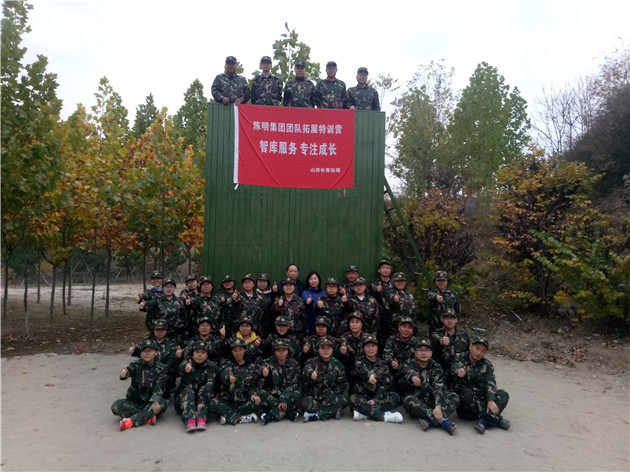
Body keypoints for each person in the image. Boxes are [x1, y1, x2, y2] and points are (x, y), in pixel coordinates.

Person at [451, 337, 511, 434]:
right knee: (466, 393)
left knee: (503, 394)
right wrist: (459, 371)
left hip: (480, 396)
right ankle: (494, 418)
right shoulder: (460, 357)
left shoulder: (487, 365)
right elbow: (455, 366)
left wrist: (490, 399)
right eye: (477, 348)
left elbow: (490, 382)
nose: (479, 353)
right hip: (466, 406)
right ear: (470, 347)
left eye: (483, 351)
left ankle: (484, 421)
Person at [399, 339, 459, 435]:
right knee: (408, 400)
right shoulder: (408, 363)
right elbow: (407, 372)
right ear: (415, 353)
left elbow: (439, 387)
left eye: (426, 350)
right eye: (420, 350)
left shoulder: (436, 366)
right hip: (418, 401)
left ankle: (429, 421)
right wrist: (412, 378)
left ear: (431, 353)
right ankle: (442, 420)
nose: (423, 353)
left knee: (455, 397)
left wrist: (438, 406)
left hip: (433, 400)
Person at [112, 339, 168, 431]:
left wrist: (155, 402)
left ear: (156, 353)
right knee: (115, 406)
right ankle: (147, 418)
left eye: (150, 350)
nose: (147, 353)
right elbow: (128, 371)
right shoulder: (135, 364)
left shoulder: (161, 369)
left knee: (162, 404)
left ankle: (130, 422)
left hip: (150, 402)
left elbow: (159, 388)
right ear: (140, 353)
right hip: (134, 402)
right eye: (144, 351)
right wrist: (124, 374)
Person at [350, 334, 403, 423]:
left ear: (377, 348)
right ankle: (384, 417)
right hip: (363, 397)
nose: (370, 349)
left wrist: (376, 400)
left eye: (373, 346)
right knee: (352, 399)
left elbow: (386, 384)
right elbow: (363, 371)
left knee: (395, 397)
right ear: (364, 348)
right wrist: (370, 376)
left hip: (378, 398)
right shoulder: (359, 361)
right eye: (368, 346)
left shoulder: (383, 364)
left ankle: (365, 414)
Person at [210, 338, 261, 425]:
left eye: (240, 350)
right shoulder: (227, 364)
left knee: (258, 401)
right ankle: (242, 418)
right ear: (232, 352)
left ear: (244, 350)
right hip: (227, 401)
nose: (238, 353)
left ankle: (228, 416)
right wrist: (229, 378)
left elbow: (253, 384)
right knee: (213, 403)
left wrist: (253, 394)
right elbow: (225, 373)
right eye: (235, 350)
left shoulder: (251, 366)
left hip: (243, 402)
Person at [301, 337, 349, 422]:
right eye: (323, 348)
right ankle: (332, 411)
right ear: (318, 349)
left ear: (332, 350)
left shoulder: (338, 365)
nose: (326, 350)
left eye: (328, 348)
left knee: (344, 400)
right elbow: (306, 368)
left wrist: (328, 399)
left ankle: (316, 415)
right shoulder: (312, 361)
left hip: (330, 398)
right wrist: (311, 373)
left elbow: (341, 385)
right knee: (304, 403)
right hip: (314, 398)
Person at [174, 340, 218, 432]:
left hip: (201, 399)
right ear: (193, 353)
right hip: (184, 400)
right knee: (189, 390)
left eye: (203, 352)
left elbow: (210, 384)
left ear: (207, 355)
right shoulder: (188, 362)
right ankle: (190, 419)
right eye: (197, 352)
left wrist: (203, 401)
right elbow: (180, 369)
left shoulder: (211, 366)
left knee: (206, 390)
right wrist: (185, 368)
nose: (199, 355)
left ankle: (202, 417)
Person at [129, 319, 179, 399]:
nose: (160, 332)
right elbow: (141, 352)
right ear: (154, 330)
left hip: (164, 371)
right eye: (158, 330)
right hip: (149, 369)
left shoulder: (171, 343)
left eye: (162, 330)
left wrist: (162, 369)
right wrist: (134, 350)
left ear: (166, 331)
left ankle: (166, 390)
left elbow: (172, 360)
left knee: (167, 379)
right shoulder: (148, 342)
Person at [258, 338, 302, 425]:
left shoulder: (294, 364)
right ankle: (287, 413)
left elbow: (295, 384)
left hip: (288, 394)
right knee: (260, 394)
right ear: (274, 351)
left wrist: (283, 399)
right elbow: (261, 368)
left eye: (284, 350)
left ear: (288, 351)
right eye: (278, 351)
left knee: (297, 394)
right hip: (274, 394)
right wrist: (264, 372)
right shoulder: (268, 362)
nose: (281, 353)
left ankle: (272, 415)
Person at [430, 308, 470, 387]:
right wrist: (441, 341)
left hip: (459, 369)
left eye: (452, 318)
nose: (449, 320)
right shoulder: (436, 333)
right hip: (441, 370)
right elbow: (436, 338)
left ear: (456, 320)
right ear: (442, 319)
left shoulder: (463, 335)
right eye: (446, 318)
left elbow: (468, 353)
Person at [139, 278, 186, 344]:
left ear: (174, 288)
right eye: (166, 287)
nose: (169, 289)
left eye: (171, 287)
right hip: (160, 334)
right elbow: (149, 304)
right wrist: (144, 305)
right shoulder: (157, 300)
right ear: (162, 288)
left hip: (175, 335)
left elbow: (184, 318)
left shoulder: (179, 301)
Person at [383, 316, 418, 384]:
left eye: (409, 327)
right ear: (399, 328)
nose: (406, 330)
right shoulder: (391, 339)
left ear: (412, 330)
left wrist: (403, 368)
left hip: (407, 372)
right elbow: (386, 354)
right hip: (392, 371)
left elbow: (415, 361)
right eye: (404, 326)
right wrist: (391, 362)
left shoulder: (416, 343)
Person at [301, 271, 327, 336]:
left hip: (323, 321)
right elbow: (306, 300)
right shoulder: (305, 292)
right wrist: (308, 301)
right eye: (311, 279)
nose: (313, 281)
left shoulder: (324, 293)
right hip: (310, 319)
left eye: (315, 279)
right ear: (308, 281)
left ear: (319, 280)